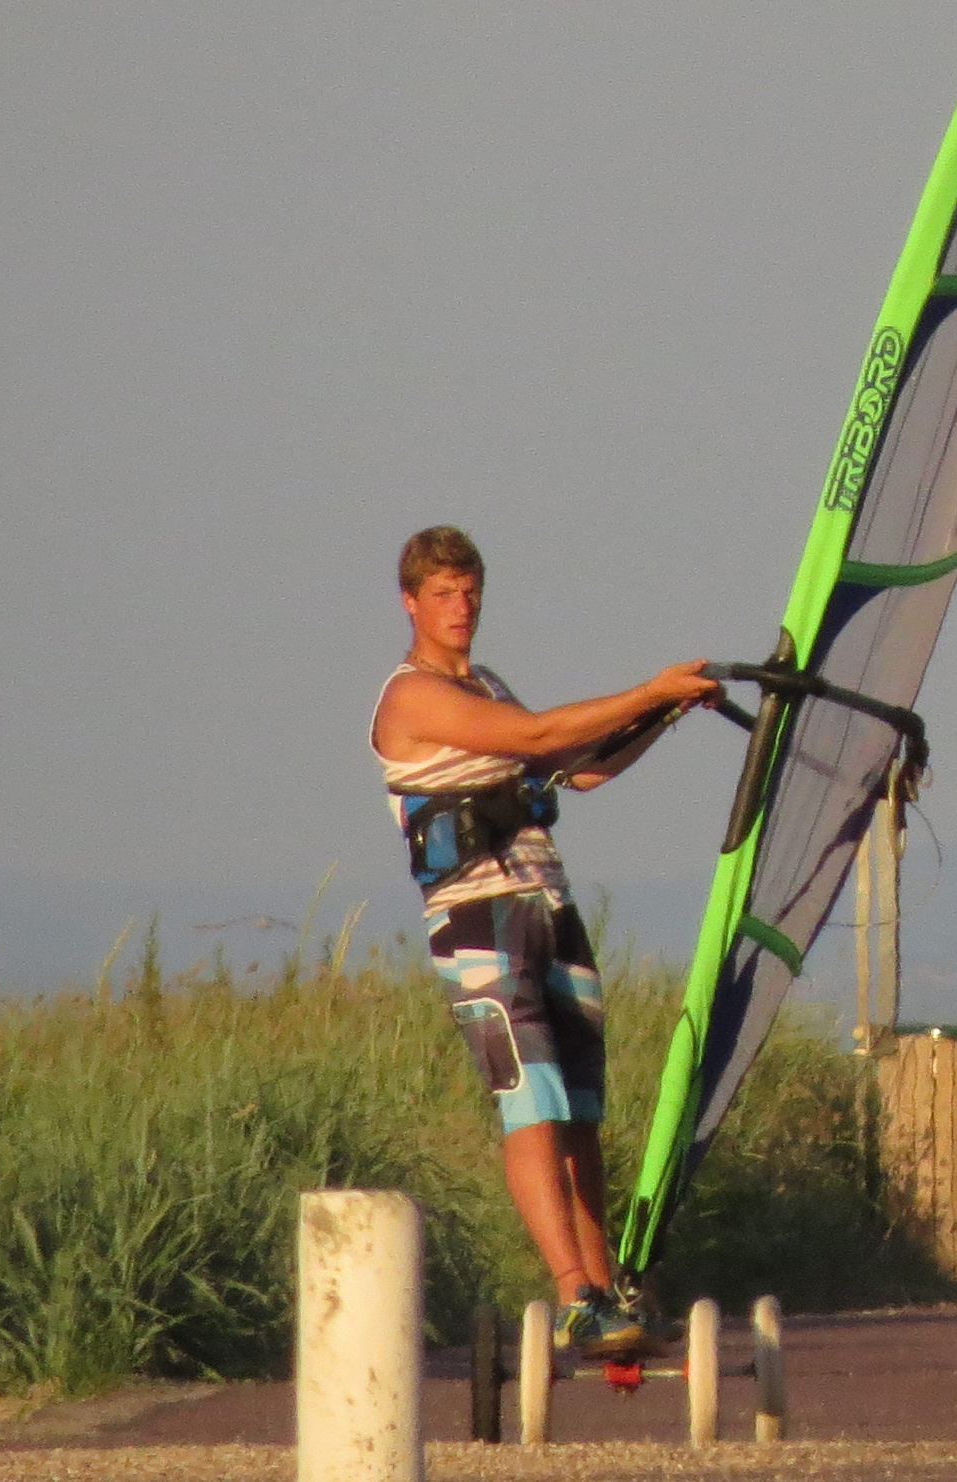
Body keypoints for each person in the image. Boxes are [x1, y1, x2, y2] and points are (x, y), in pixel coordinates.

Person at [369, 525, 717, 1356]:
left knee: (581, 1111)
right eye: (443, 594)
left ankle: (609, 1291)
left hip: (548, 906)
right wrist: (646, 689)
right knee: (533, 1101)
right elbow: (533, 739)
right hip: (476, 918)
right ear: (411, 602)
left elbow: (578, 767)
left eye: (470, 591)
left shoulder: (486, 684)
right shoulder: (410, 697)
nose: (461, 607)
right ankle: (574, 1296)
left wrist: (667, 710)